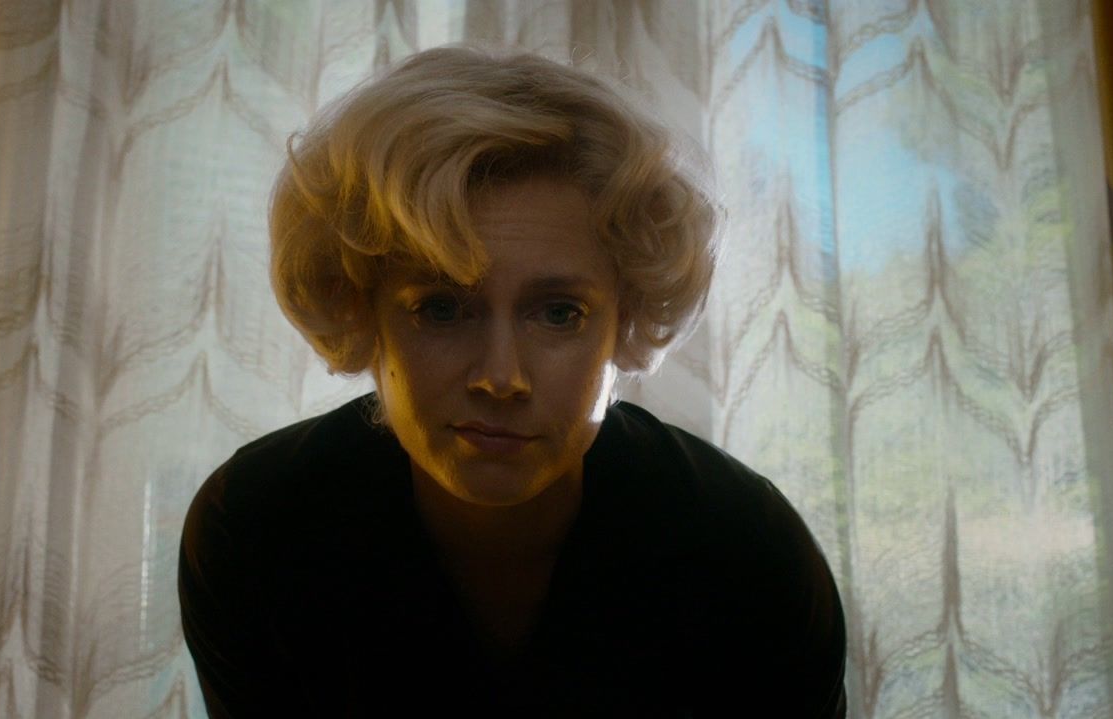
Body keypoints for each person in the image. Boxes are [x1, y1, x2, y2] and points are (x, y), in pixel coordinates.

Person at [178, 46, 846, 717]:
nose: (501, 378)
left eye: (559, 313)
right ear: (358, 307)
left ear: (628, 316)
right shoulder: (258, 529)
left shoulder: (744, 550)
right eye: (442, 308)